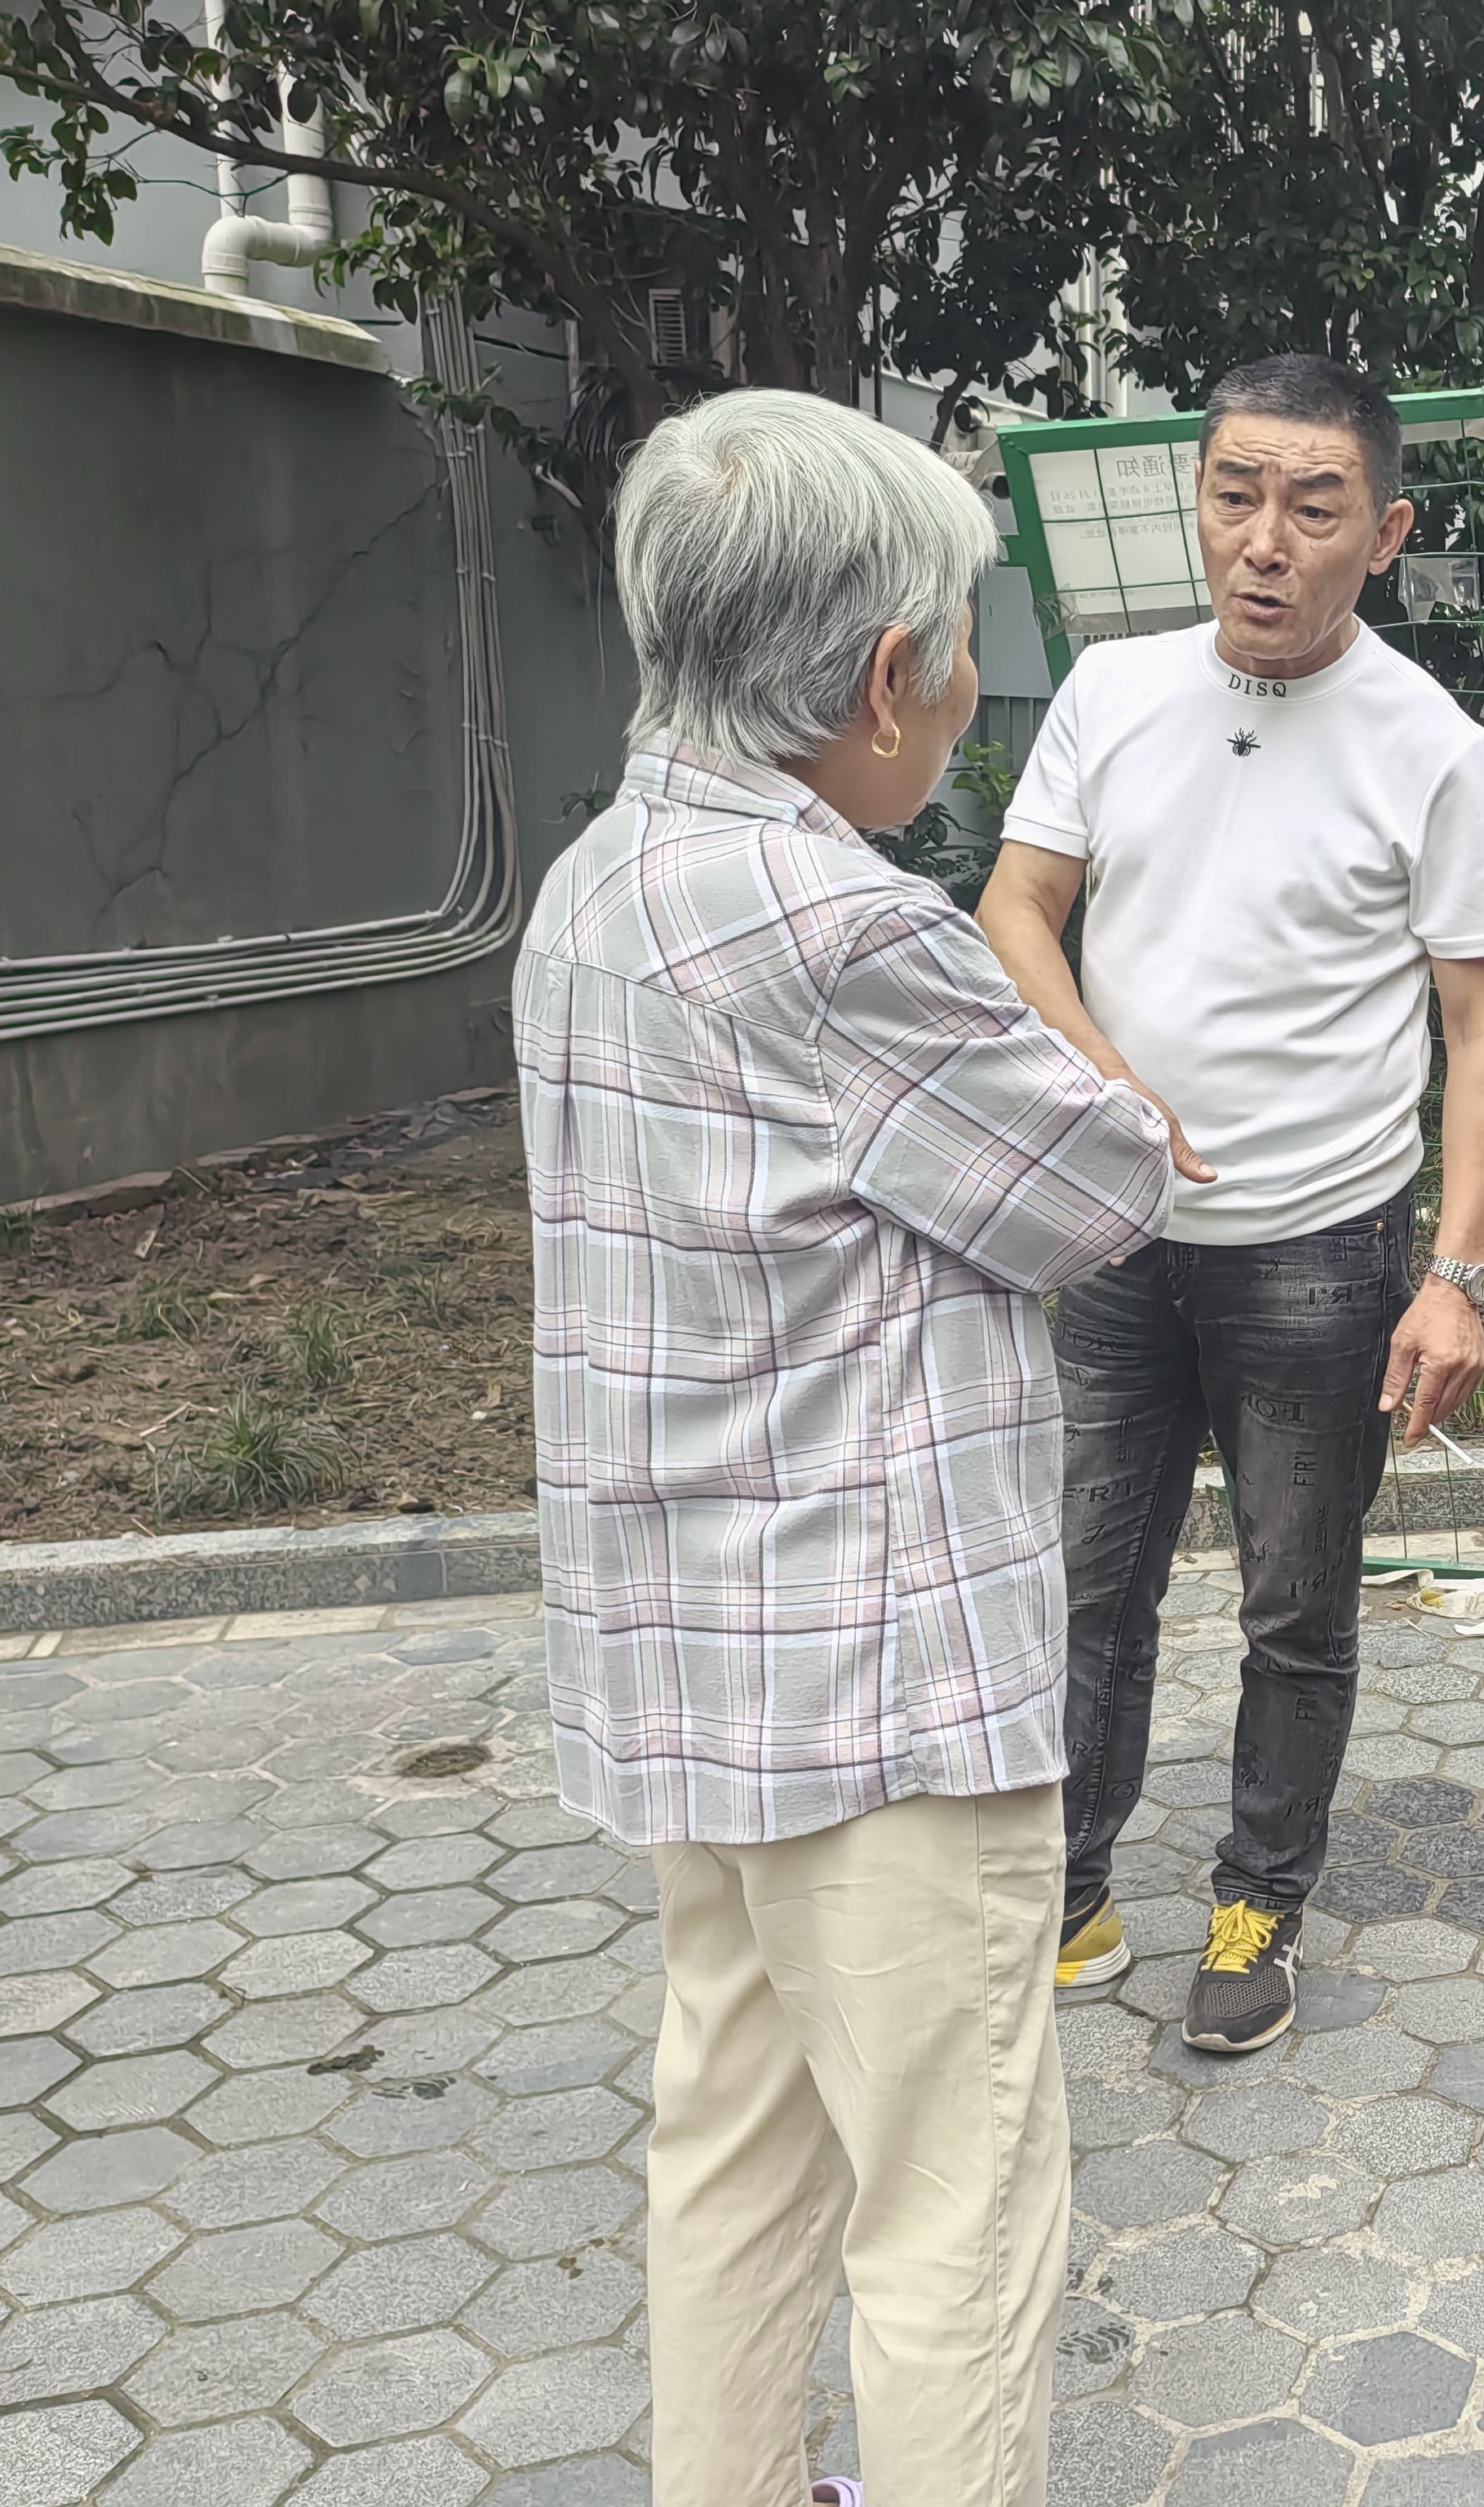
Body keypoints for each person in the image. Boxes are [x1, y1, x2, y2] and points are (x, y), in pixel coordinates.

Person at [515, 389, 1172, 2507]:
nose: (968, 691)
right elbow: (1097, 1185)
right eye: (960, 645)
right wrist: (1121, 1094)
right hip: (882, 1690)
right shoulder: (843, 927)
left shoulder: (597, 884)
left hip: (691, 1657)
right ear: (890, 678)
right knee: (951, 2210)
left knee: (733, 2141)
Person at [977, 353, 1484, 2055]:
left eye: (1313, 506)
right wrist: (1106, 1082)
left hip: (1320, 1254)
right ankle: (1068, 1893)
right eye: (1235, 494)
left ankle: (1254, 1907)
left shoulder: (1431, 747)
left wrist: (1454, 1275)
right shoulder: (1112, 691)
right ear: (1200, 502)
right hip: (1117, 1241)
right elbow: (1016, 904)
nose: (1265, 541)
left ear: (1386, 534)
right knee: (1090, 1584)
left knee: (1295, 1604)